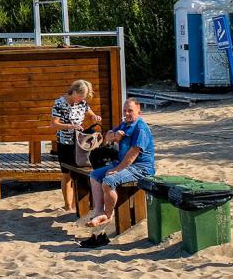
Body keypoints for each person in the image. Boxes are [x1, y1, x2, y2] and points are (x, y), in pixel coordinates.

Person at [87, 98, 156, 229]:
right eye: (125, 111)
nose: (127, 113)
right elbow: (107, 136)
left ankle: (107, 215)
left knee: (108, 181)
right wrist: (114, 136)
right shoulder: (125, 124)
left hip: (140, 168)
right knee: (94, 176)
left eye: (130, 111)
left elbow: (133, 154)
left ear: (139, 112)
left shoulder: (141, 128)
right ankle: (98, 211)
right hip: (125, 164)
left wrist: (117, 169)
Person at [50, 79, 101, 213]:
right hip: (64, 143)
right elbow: (53, 124)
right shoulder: (59, 103)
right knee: (66, 175)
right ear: (74, 91)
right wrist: (69, 126)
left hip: (79, 143)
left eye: (82, 98)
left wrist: (95, 117)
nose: (80, 100)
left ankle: (78, 205)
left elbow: (90, 114)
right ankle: (68, 206)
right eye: (79, 97)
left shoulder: (82, 103)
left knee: (79, 174)